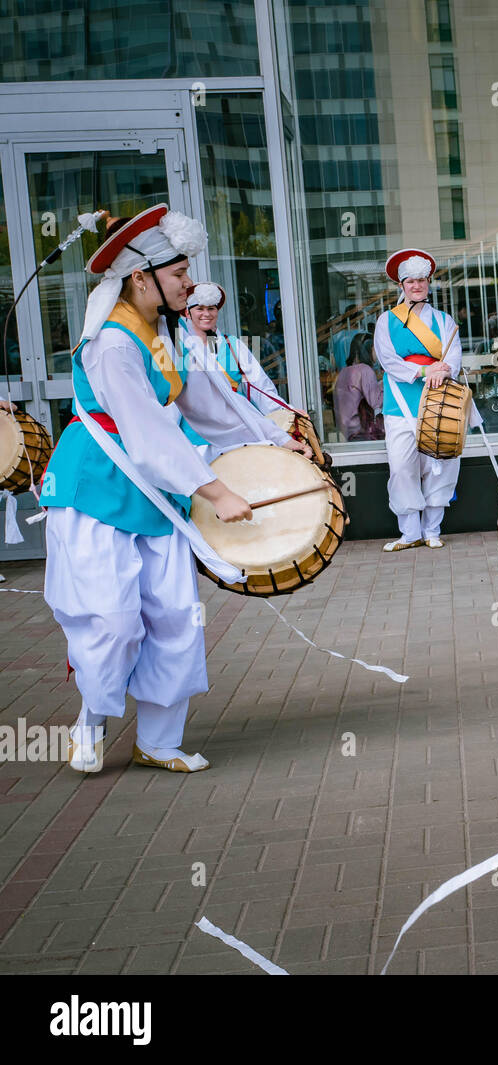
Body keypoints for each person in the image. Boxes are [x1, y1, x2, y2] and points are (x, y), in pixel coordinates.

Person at [37, 204, 310, 774]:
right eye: (180, 274)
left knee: (176, 617)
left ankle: (158, 740)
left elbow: (207, 402)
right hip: (99, 487)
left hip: (155, 493)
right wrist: (215, 491)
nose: (192, 283)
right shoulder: (113, 344)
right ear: (142, 279)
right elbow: (144, 434)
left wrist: (276, 441)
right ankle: (90, 723)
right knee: (113, 621)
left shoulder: (162, 332)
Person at [373, 248, 478, 550]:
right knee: (401, 466)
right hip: (399, 402)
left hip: (439, 398)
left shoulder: (444, 320)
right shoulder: (386, 321)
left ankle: (432, 529)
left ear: (428, 283)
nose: (416, 286)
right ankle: (409, 533)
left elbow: (453, 356)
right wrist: (424, 370)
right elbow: (388, 361)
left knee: (440, 464)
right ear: (402, 286)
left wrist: (442, 371)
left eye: (421, 280)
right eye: (410, 281)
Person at [180, 282, 286, 415]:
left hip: (236, 428)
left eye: (211, 308)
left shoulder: (233, 345)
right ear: (187, 313)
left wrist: (285, 413)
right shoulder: (179, 348)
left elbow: (261, 388)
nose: (206, 314)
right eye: (200, 309)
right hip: (193, 432)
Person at [333, 332, 384, 441]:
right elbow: (376, 402)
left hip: (347, 432)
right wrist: (386, 382)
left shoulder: (344, 372)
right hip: (362, 433)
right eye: (375, 348)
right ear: (368, 349)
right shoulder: (365, 370)